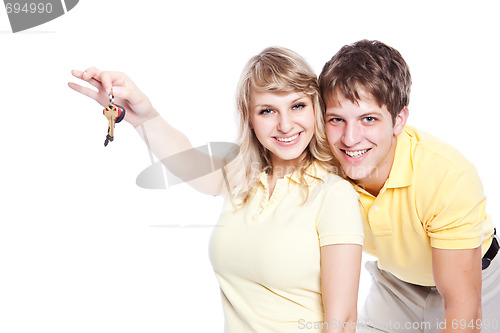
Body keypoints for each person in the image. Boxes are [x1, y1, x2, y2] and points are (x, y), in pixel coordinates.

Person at [68, 47, 364, 332]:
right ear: (249, 118)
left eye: (297, 106)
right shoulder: (243, 179)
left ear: (315, 108)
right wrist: (142, 114)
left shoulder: (334, 194)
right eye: (267, 111)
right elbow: (186, 158)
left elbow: (343, 320)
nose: (285, 125)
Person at [318, 39, 500, 333]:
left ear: (398, 119)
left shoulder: (447, 176)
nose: (350, 138)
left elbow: (462, 306)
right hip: (397, 285)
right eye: (337, 119)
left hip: (478, 279)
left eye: (368, 119)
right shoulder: (320, 165)